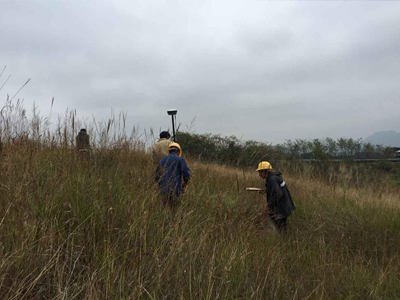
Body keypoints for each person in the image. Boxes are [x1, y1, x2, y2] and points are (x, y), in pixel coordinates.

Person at [257, 161, 295, 232]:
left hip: (281, 209)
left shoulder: (272, 179)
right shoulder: (274, 177)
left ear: (264, 171)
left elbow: (278, 194)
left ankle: (282, 240)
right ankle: (283, 239)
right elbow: (276, 190)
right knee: (282, 228)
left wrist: (268, 205)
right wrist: (266, 190)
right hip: (284, 207)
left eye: (260, 172)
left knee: (281, 229)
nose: (259, 174)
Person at [155, 143, 191, 209]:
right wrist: (185, 184)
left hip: (163, 191)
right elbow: (187, 174)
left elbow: (157, 177)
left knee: (163, 211)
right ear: (179, 151)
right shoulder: (180, 160)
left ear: (169, 151)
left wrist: (160, 186)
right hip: (176, 190)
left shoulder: (162, 160)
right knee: (175, 212)